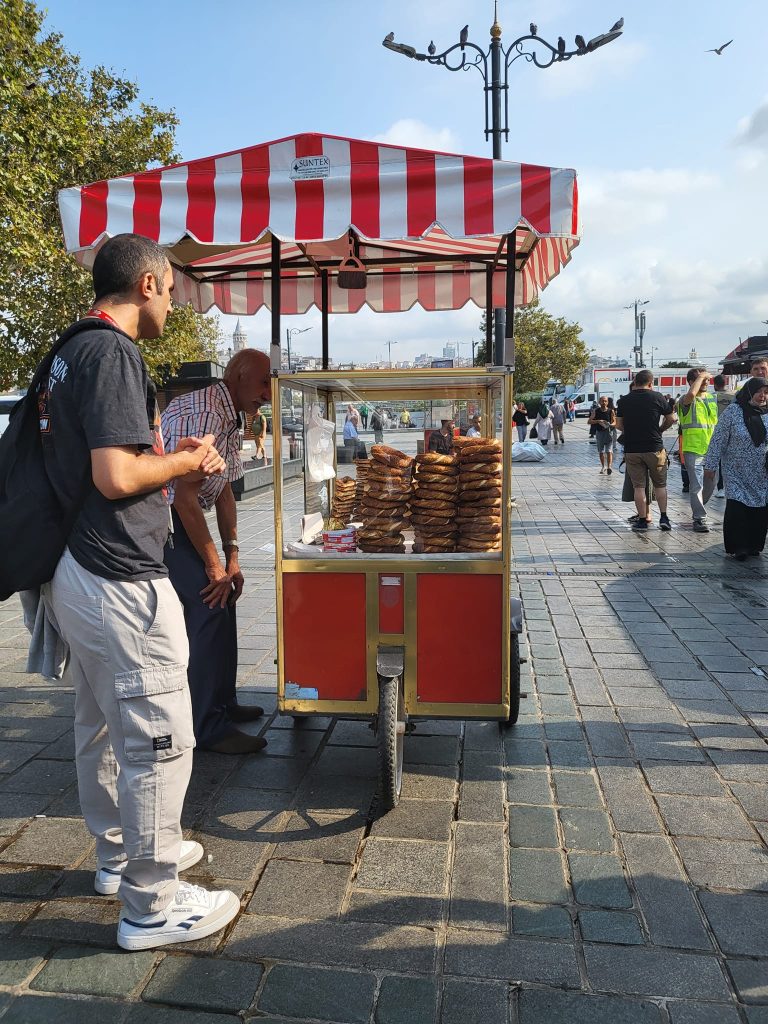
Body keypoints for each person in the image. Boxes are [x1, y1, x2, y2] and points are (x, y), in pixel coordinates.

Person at [38, 233, 240, 951]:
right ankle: (151, 904)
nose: (176, 301)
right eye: (174, 287)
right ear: (149, 283)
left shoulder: (66, 352)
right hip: (118, 574)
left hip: (76, 569)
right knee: (160, 732)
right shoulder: (114, 353)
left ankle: (119, 857)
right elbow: (116, 477)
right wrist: (187, 457)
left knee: (100, 722)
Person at [162, 350, 272, 755]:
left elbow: (225, 490)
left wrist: (233, 556)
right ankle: (206, 725)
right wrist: (213, 566)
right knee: (210, 605)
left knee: (228, 597)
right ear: (239, 376)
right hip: (168, 526)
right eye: (262, 383)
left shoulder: (231, 416)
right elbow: (184, 501)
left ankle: (223, 702)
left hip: (189, 516)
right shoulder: (207, 414)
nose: (267, 394)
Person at [704, 377, 768, 560]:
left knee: (759, 508)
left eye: (766, 392)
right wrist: (711, 464)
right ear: (749, 392)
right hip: (735, 471)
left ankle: (754, 545)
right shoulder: (733, 411)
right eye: (759, 392)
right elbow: (718, 439)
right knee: (737, 507)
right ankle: (738, 547)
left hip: (760, 472)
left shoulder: (767, 413)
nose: (762, 396)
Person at [616, 369, 677, 531]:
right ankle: (664, 518)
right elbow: (671, 419)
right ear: (651, 383)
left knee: (639, 487)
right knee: (660, 485)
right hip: (654, 448)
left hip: (632, 450)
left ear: (634, 382)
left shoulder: (623, 401)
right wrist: (660, 430)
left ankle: (642, 520)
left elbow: (619, 425)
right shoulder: (657, 397)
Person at [678, 368, 718, 533]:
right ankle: (699, 519)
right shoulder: (685, 399)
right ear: (691, 382)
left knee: (711, 484)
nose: (706, 382)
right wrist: (701, 376)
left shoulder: (711, 398)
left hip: (712, 449)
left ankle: (699, 506)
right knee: (697, 486)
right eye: (701, 380)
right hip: (693, 448)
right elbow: (691, 396)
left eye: (707, 380)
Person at [712, 374, 735, 497]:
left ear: (715, 384)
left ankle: (720, 487)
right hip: (732, 432)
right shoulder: (734, 396)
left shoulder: (711, 397)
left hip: (715, 431)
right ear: (726, 382)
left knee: (718, 461)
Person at [589, 396, 616, 474]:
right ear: (599, 402)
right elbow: (589, 421)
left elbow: (615, 422)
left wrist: (611, 425)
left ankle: (609, 467)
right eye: (602, 401)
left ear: (607, 402)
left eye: (605, 401)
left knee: (609, 451)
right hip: (600, 433)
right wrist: (598, 421)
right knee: (601, 451)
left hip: (609, 432)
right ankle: (603, 466)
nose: (604, 403)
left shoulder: (611, 411)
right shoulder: (596, 411)